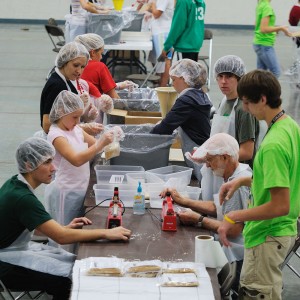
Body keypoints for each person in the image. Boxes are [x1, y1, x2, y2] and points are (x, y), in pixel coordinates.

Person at [0, 137, 131, 300]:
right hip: (6, 266)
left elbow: (32, 223)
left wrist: (63, 228)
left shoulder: (15, 183)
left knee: (75, 264)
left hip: (14, 250)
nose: (54, 168)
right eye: (47, 162)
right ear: (28, 165)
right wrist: (106, 233)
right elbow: (61, 238)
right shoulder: (22, 197)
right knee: (69, 280)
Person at [218, 70, 300, 300]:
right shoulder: (289, 126)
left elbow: (280, 205)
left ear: (262, 99)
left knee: (257, 292)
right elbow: (285, 179)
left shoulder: (274, 144)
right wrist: (243, 180)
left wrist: (234, 216)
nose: (245, 109)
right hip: (281, 231)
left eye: (247, 103)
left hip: (267, 234)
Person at [161, 133, 252, 298]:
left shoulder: (240, 182)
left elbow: (233, 230)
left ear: (225, 157)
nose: (208, 166)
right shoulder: (233, 176)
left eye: (210, 160)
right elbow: (218, 207)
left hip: (237, 255)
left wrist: (199, 220)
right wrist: (183, 200)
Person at [45, 90, 116, 230]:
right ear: (61, 112)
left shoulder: (75, 129)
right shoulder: (56, 135)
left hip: (80, 186)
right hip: (65, 192)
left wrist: (113, 139)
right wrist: (100, 144)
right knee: (65, 229)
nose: (78, 121)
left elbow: (94, 144)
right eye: (74, 117)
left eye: (80, 117)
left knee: (78, 228)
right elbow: (76, 160)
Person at [196, 55, 259, 201]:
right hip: (221, 171)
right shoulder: (224, 102)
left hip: (238, 177)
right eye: (220, 76)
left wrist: (212, 157)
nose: (223, 81)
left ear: (239, 78)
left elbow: (247, 152)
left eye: (229, 76)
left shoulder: (243, 108)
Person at [150, 59, 212, 181]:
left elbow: (165, 128)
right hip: (201, 152)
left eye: (174, 80)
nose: (171, 83)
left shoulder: (187, 100)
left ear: (185, 78)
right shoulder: (199, 94)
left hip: (198, 155)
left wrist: (147, 137)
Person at [40, 41, 103, 136]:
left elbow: (64, 115)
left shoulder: (66, 79)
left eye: (82, 67)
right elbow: (47, 125)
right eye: (75, 65)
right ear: (64, 61)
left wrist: (85, 115)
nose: (79, 71)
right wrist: (81, 128)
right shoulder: (57, 85)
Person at [74, 33, 137, 99]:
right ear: (93, 52)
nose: (101, 57)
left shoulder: (74, 66)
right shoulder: (99, 66)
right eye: (101, 53)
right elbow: (114, 97)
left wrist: (118, 86)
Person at [253, 0, 292, 78]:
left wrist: (274, 30)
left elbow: (257, 24)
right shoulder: (267, 7)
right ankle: (269, 90)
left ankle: (259, 90)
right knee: (275, 72)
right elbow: (263, 29)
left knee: (260, 75)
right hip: (265, 45)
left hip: (259, 43)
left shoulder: (261, 4)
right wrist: (280, 28)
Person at [145, 0, 174, 86]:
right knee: (155, 59)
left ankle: (163, 87)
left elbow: (157, 14)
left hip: (162, 32)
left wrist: (153, 3)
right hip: (158, 31)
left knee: (165, 60)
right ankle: (160, 81)